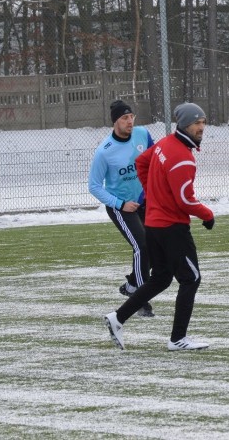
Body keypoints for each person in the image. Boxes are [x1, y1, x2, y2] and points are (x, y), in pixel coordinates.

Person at [104, 102, 215, 352]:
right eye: (197, 123)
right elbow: (185, 200)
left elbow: (142, 163)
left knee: (162, 279)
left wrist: (153, 197)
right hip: (171, 228)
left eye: (203, 122)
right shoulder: (182, 158)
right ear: (185, 125)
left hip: (154, 224)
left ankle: (117, 318)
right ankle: (178, 339)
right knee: (191, 279)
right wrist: (208, 215)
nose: (201, 127)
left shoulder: (165, 144)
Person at [89, 100, 156, 316]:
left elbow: (155, 158)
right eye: (124, 118)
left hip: (144, 201)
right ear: (115, 122)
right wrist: (120, 204)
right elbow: (94, 186)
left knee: (156, 249)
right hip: (121, 207)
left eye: (131, 117)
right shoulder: (104, 152)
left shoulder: (142, 135)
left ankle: (131, 286)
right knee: (142, 246)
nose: (129, 121)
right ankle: (140, 302)